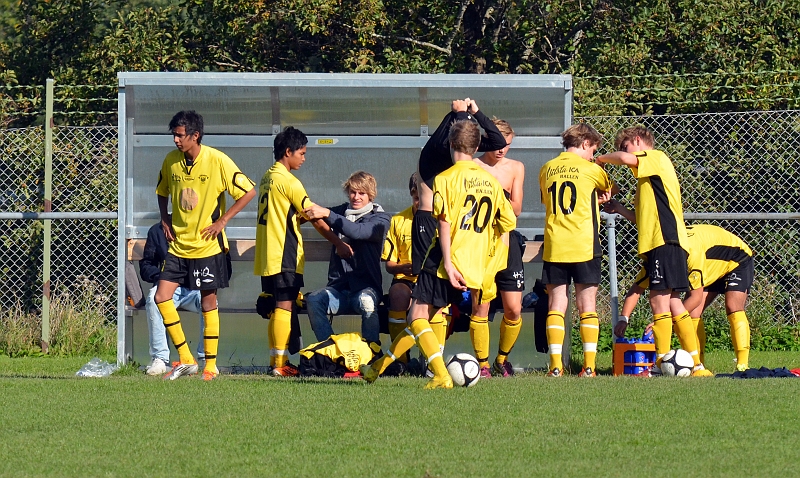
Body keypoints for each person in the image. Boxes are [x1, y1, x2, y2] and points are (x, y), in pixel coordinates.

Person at [361, 118, 516, 389]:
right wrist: (485, 260)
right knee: (422, 318)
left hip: (446, 260)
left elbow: (443, 224)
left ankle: (441, 374)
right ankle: (377, 368)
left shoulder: (445, 179)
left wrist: (448, 264)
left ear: (451, 144)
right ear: (477, 147)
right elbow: (507, 222)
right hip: (474, 265)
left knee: (416, 317)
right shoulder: (492, 182)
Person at [596, 126, 713, 377]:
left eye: (625, 146)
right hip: (664, 242)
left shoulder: (655, 157)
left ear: (638, 140)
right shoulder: (646, 179)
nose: (624, 153)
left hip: (664, 240)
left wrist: (600, 159)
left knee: (658, 300)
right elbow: (641, 218)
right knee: (673, 302)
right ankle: (697, 365)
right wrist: (619, 209)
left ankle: (660, 363)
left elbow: (625, 158)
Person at [155, 110, 256, 381]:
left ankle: (210, 365)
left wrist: (222, 221)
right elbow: (162, 191)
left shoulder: (217, 160)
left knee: (208, 302)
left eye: (180, 135)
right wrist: (164, 218)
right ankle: (186, 359)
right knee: (161, 297)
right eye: (174, 135)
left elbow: (249, 191)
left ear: (195, 135)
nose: (175, 140)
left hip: (207, 246)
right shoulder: (171, 161)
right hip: (178, 245)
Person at [608, 210, 754, 371]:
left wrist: (665, 321)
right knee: (692, 314)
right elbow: (637, 288)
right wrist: (624, 318)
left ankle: (742, 365)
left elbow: (695, 298)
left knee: (733, 306)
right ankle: (698, 365)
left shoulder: (692, 256)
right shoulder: (659, 256)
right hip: (710, 264)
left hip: (736, 258)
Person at [254, 126, 336, 377]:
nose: (304, 158)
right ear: (288, 152)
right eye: (302, 153)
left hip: (267, 252)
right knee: (284, 306)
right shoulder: (289, 181)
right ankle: (280, 365)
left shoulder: (267, 177)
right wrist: (339, 242)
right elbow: (313, 216)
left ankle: (275, 361)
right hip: (284, 252)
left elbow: (285, 213)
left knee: (276, 306)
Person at [538, 123, 613, 378]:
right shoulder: (592, 169)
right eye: (593, 150)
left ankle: (555, 366)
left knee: (556, 304)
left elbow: (547, 200)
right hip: (584, 244)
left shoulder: (547, 168)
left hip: (555, 244)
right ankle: (589, 367)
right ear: (585, 143)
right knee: (587, 305)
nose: (593, 155)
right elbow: (608, 189)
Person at [303, 171, 391, 345]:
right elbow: (311, 215)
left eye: (361, 193)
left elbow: (357, 232)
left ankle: (371, 350)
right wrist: (336, 241)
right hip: (339, 291)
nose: (356, 197)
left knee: (367, 302)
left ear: (371, 195)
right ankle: (330, 349)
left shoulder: (381, 219)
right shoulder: (341, 211)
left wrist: (326, 213)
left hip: (366, 289)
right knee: (313, 300)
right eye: (352, 192)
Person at [474, 118, 526, 377]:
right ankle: (482, 364)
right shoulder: (473, 165)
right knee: (480, 306)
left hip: (507, 240)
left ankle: (501, 359)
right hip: (480, 242)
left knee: (514, 308)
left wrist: (493, 196)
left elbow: (516, 209)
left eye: (507, 145)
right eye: (498, 144)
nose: (502, 150)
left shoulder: (516, 167)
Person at [139, 221, 203, 376]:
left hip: (198, 287)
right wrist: (164, 278)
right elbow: (147, 265)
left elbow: (224, 265)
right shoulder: (158, 230)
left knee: (210, 303)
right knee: (154, 299)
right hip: (170, 289)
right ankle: (160, 359)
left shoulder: (204, 227)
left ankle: (206, 359)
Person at [381, 174, 422, 362]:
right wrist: (403, 268)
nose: (420, 203)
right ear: (411, 194)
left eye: (425, 197)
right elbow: (389, 265)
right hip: (405, 278)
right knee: (398, 293)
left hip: (433, 278)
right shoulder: (398, 220)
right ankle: (401, 359)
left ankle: (430, 360)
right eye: (416, 198)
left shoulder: (442, 219)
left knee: (436, 301)